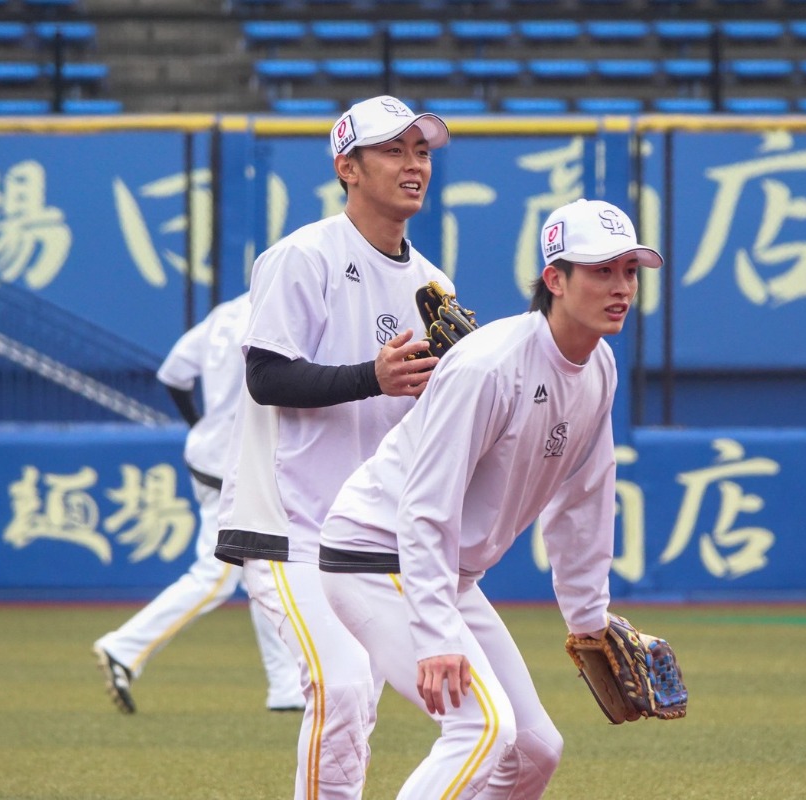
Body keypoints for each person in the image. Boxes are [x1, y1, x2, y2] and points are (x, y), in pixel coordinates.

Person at [317, 198, 663, 798]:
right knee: (481, 727)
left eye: (630, 270)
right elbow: (425, 506)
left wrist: (589, 623)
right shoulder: (489, 367)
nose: (622, 287)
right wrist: (436, 636)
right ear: (555, 279)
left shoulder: (599, 367)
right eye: (602, 270)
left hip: (443, 572)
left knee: (534, 750)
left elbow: (584, 501)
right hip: (374, 555)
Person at [213, 96, 453, 799]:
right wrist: (373, 377)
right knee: (342, 687)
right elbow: (266, 378)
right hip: (290, 525)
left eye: (422, 151)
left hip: (369, 532)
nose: (414, 164)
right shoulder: (303, 256)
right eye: (394, 150)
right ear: (348, 167)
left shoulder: (433, 285)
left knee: (365, 705)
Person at [92, 292, 304, 715]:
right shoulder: (282, 311)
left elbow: (174, 374)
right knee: (216, 575)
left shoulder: (226, 312)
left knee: (265, 566)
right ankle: (124, 647)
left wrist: (200, 423)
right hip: (237, 464)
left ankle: (286, 686)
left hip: (210, 452)